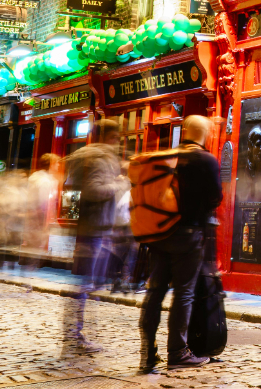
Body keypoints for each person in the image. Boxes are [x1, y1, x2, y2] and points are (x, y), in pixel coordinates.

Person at [139, 115, 223, 373]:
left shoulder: (169, 157)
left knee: (155, 292)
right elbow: (216, 197)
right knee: (184, 293)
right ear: (206, 133)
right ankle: (177, 353)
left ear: (184, 130)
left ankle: (147, 353)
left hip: (160, 233)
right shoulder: (206, 160)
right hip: (189, 234)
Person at [64, 118, 129, 355]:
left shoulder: (91, 156)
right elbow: (93, 190)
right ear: (108, 137)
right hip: (94, 230)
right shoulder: (99, 159)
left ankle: (77, 334)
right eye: (116, 138)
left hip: (93, 229)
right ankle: (75, 336)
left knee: (87, 285)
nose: (118, 143)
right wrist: (119, 184)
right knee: (85, 285)